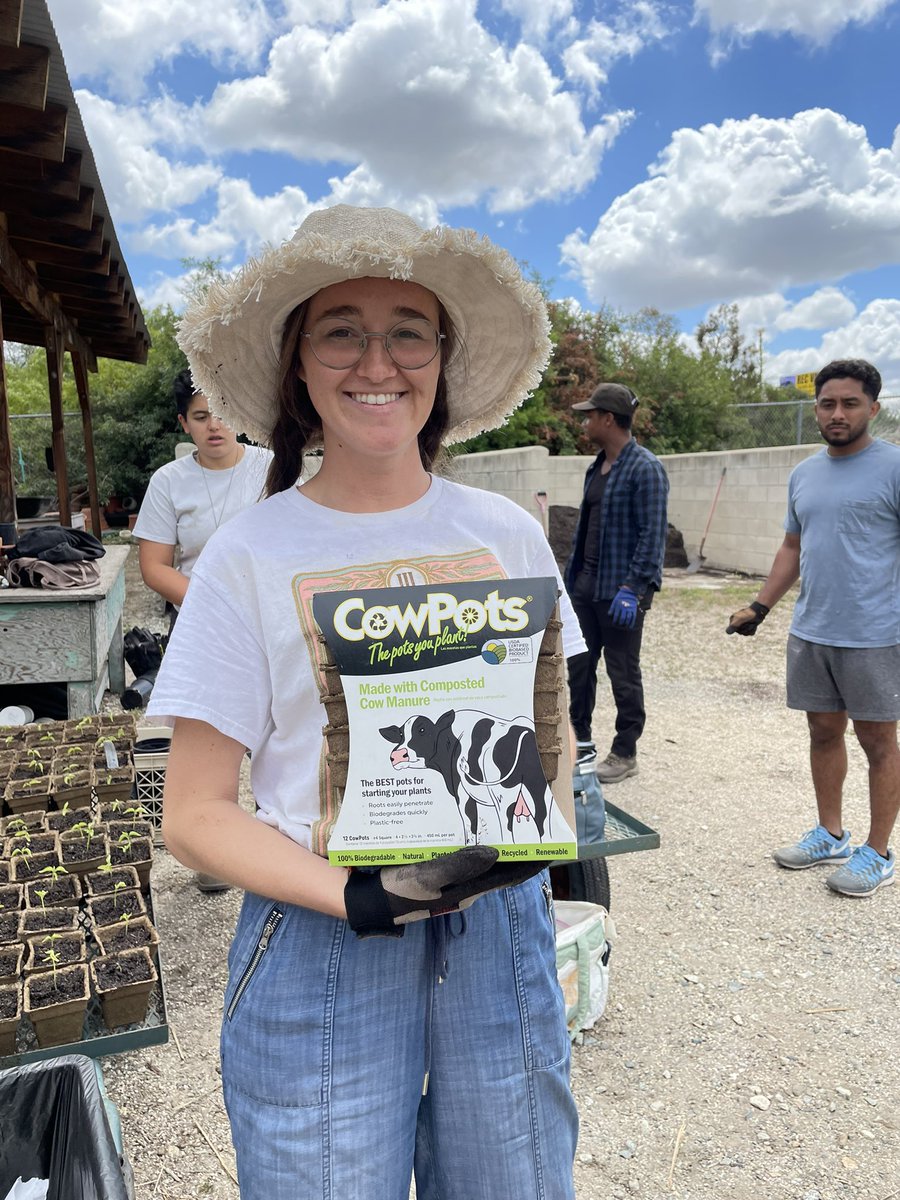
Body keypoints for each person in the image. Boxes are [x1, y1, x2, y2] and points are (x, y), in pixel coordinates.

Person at [146, 205, 584, 1199]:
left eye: (407, 331)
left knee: (513, 1181)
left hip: (498, 924)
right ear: (299, 362)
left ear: (441, 357)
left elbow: (550, 738)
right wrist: (359, 894)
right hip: (323, 922)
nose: (376, 360)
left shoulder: (506, 535)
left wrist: (520, 836)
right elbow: (196, 814)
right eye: (341, 328)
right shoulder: (247, 558)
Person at [727, 358, 900, 897]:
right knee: (823, 732)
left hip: (877, 633)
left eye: (850, 403)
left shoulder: (894, 467)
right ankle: (831, 834)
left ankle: (878, 851)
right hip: (813, 631)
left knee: (878, 741)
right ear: (816, 409)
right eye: (828, 403)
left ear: (874, 407)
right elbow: (793, 547)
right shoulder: (803, 473)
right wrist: (761, 605)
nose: (838, 413)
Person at [133, 371, 272, 893]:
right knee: (212, 733)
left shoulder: (272, 469)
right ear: (183, 423)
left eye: (222, 412)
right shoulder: (169, 482)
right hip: (201, 623)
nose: (214, 426)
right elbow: (155, 565)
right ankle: (218, 854)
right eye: (199, 416)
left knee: (278, 731)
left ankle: (281, 839)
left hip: (270, 618)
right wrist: (216, 605)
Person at [564, 383, 669, 783]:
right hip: (586, 589)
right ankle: (581, 744)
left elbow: (652, 534)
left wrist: (635, 587)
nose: (585, 421)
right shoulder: (597, 466)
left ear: (609, 419)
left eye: (590, 415)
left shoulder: (645, 468)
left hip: (620, 593)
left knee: (623, 672)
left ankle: (625, 752)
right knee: (580, 667)